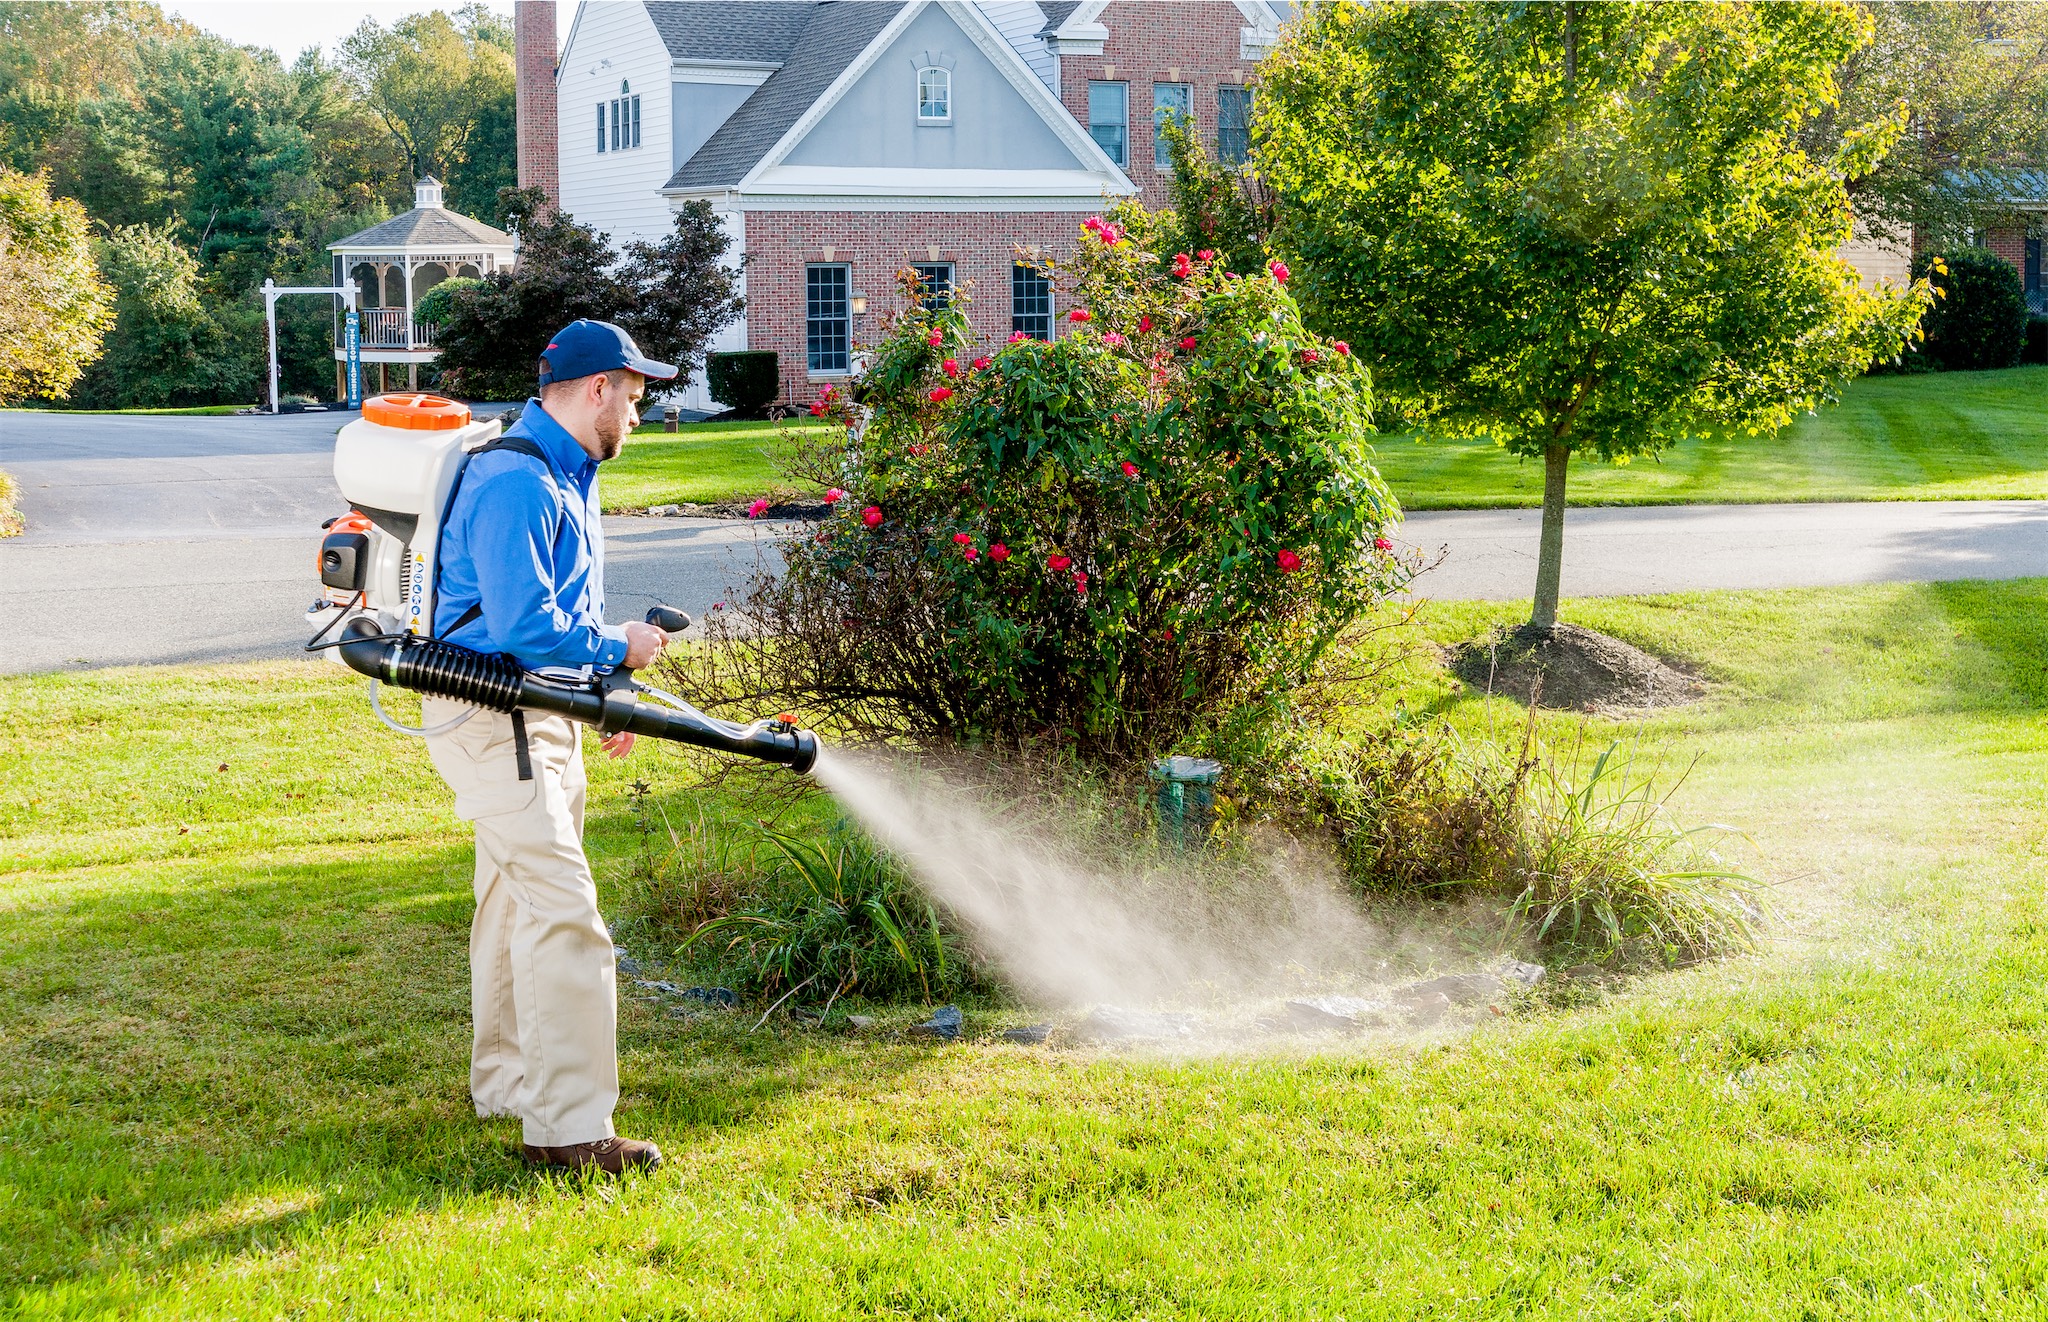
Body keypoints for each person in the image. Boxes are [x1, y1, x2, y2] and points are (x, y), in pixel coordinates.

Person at [420, 320, 675, 1175]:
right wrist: (619, 648)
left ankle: (505, 1082)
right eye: (634, 399)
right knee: (568, 914)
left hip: (539, 713)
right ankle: (568, 1130)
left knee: (511, 899)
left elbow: (554, 614)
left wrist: (603, 695)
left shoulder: (572, 472)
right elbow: (529, 626)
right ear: (596, 388)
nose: (639, 416)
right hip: (494, 719)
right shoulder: (516, 482)